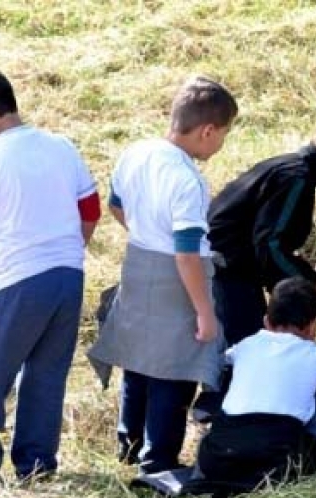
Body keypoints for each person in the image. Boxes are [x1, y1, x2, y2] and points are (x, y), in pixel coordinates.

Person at [0, 62, 100, 486]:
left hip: (12, 284)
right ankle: (36, 469)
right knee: (46, 378)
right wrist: (65, 250)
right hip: (67, 281)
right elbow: (90, 211)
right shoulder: (60, 146)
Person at [86, 76, 238, 475]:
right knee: (176, 369)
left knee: (138, 359)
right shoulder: (188, 180)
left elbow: (116, 206)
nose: (220, 143)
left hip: (138, 264)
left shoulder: (135, 152)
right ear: (208, 130)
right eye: (222, 135)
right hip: (177, 279)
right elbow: (187, 254)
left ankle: (129, 444)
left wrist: (144, 232)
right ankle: (159, 459)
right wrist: (204, 312)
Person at [193, 117, 316, 420]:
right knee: (250, 350)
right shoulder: (297, 178)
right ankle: (225, 421)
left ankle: (223, 415)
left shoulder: (287, 166)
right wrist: (314, 283)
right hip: (227, 271)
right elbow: (271, 246)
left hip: (222, 266)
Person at [192, 277, 316, 495]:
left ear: (266, 321)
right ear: (314, 325)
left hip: (218, 460)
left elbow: (218, 364)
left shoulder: (245, 346)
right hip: (279, 467)